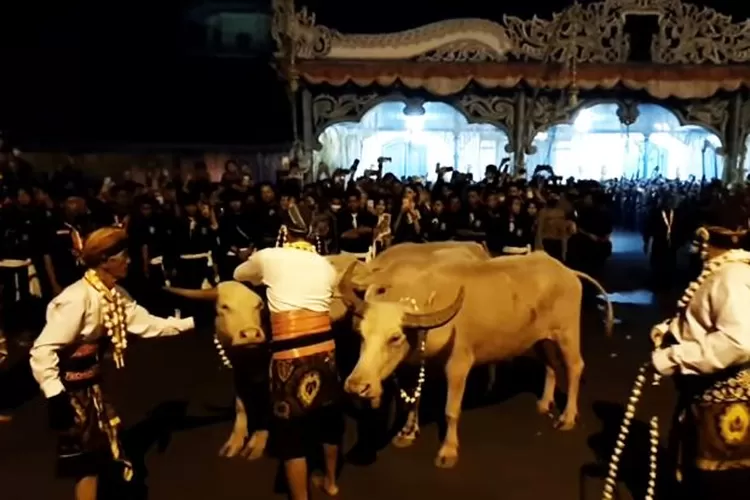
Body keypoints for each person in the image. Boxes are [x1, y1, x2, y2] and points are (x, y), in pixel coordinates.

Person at [29, 227, 195, 500]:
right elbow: (43, 349)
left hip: (90, 386)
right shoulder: (76, 298)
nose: (129, 260)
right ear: (105, 260)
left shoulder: (114, 294)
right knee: (86, 463)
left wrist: (194, 321)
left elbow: (148, 325)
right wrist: (55, 395)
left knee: (94, 459)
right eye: (123, 256)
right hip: (71, 391)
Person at [234, 202, 342, 500]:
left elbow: (240, 273)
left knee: (292, 437)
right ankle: (331, 482)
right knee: (328, 423)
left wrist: (250, 260)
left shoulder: (269, 257)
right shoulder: (326, 266)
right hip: (326, 354)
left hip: (289, 357)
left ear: (285, 230)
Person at [650, 199, 750, 499]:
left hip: (723, 404)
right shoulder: (727, 272)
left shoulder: (729, 277)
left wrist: (673, 357)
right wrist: (671, 330)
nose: (695, 247)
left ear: (705, 237)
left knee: (717, 486)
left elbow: (739, 340)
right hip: (709, 399)